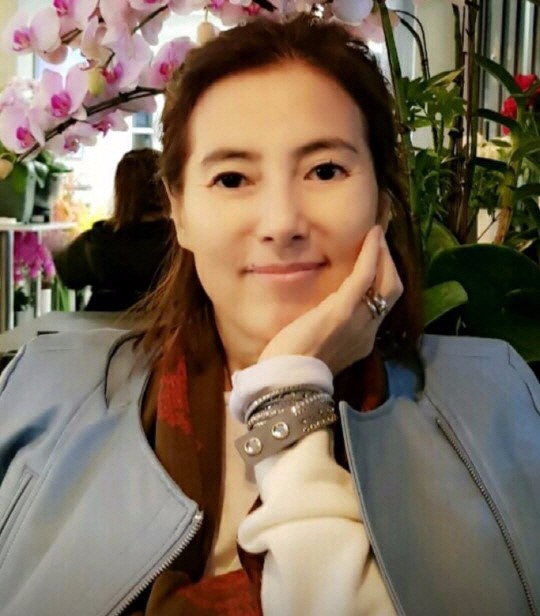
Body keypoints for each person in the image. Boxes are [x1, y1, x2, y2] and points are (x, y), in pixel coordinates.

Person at [0, 15, 539, 616]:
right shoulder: (43, 396)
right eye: (232, 178)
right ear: (179, 211)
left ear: (383, 203)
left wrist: (289, 394)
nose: (282, 223)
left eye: (325, 170)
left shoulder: (495, 401)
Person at [53, 148, 174, 311]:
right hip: (167, 321)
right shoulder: (182, 241)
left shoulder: (98, 240)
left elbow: (67, 274)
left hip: (103, 322)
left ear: (121, 189)